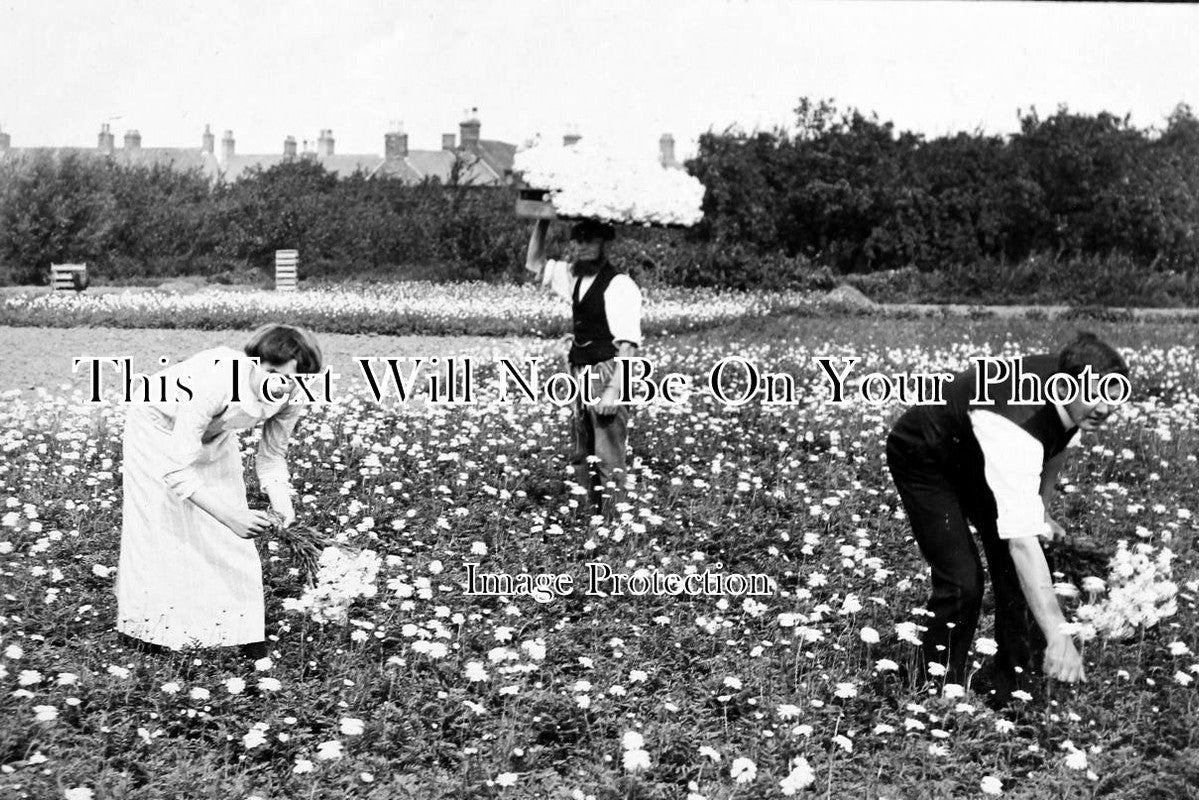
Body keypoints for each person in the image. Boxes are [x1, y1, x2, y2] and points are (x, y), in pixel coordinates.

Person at [885, 333, 1130, 704]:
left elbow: (1060, 444)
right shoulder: (1017, 432)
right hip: (926, 452)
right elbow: (1020, 542)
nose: (1104, 408)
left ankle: (1012, 685)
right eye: (1093, 396)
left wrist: (1041, 509)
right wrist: (1058, 632)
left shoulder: (1076, 378)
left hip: (978, 451)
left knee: (1019, 567)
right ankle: (930, 689)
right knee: (963, 580)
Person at [116, 324, 322, 657]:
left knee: (232, 537)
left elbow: (271, 458)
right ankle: (145, 631)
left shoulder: (292, 395)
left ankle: (245, 636)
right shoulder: (219, 379)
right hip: (157, 425)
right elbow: (176, 468)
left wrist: (284, 510)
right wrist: (230, 517)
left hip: (215, 432)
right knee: (161, 524)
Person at [525, 217, 643, 513]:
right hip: (580, 373)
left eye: (591, 240)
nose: (583, 246)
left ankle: (616, 525)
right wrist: (543, 221)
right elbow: (535, 263)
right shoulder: (572, 276)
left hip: (608, 372)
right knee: (581, 453)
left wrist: (614, 390)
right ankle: (586, 520)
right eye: (578, 240)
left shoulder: (620, 284)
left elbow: (628, 345)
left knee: (607, 455)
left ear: (604, 243)